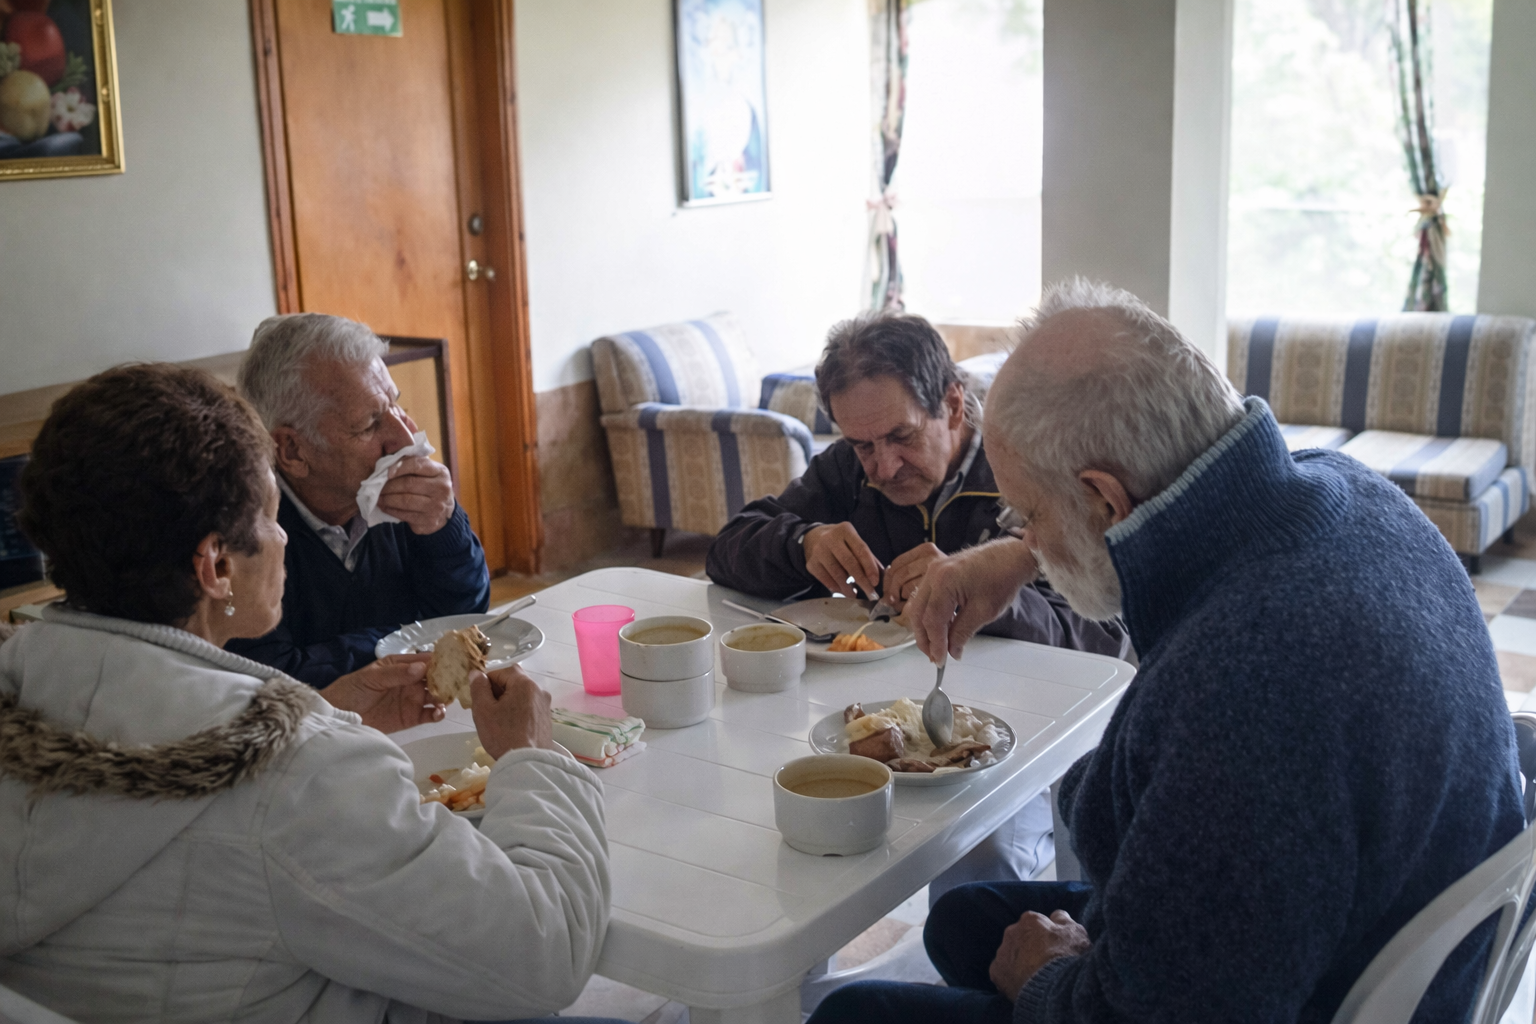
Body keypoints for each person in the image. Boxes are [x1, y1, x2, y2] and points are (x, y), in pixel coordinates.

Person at [808, 280, 1525, 1024]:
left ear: (1105, 502)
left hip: (1327, 990)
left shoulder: (1247, 681)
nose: (1031, 535)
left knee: (853, 1014)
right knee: (966, 920)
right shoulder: (1345, 488)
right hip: (1372, 905)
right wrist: (1022, 556)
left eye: (1030, 513)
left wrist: (1048, 984)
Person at [0, 365, 615, 1024]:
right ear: (216, 566)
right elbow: (544, 953)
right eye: (269, 514)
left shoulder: (25, 690)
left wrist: (329, 710)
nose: (284, 536)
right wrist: (533, 758)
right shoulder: (296, 776)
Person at [707, 313, 1130, 897]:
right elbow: (729, 546)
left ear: (954, 406)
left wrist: (987, 590)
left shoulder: (1028, 471)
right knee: (781, 822)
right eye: (861, 445)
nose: (882, 468)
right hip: (889, 710)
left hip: (1025, 729)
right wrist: (803, 543)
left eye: (902, 437)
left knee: (978, 868)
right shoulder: (850, 473)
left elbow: (1103, 639)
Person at [226, 313, 491, 687]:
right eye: (369, 424)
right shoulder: (246, 533)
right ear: (292, 451)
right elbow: (273, 677)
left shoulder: (401, 497)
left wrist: (444, 527)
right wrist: (403, 639)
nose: (403, 438)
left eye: (397, 407)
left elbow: (465, 621)